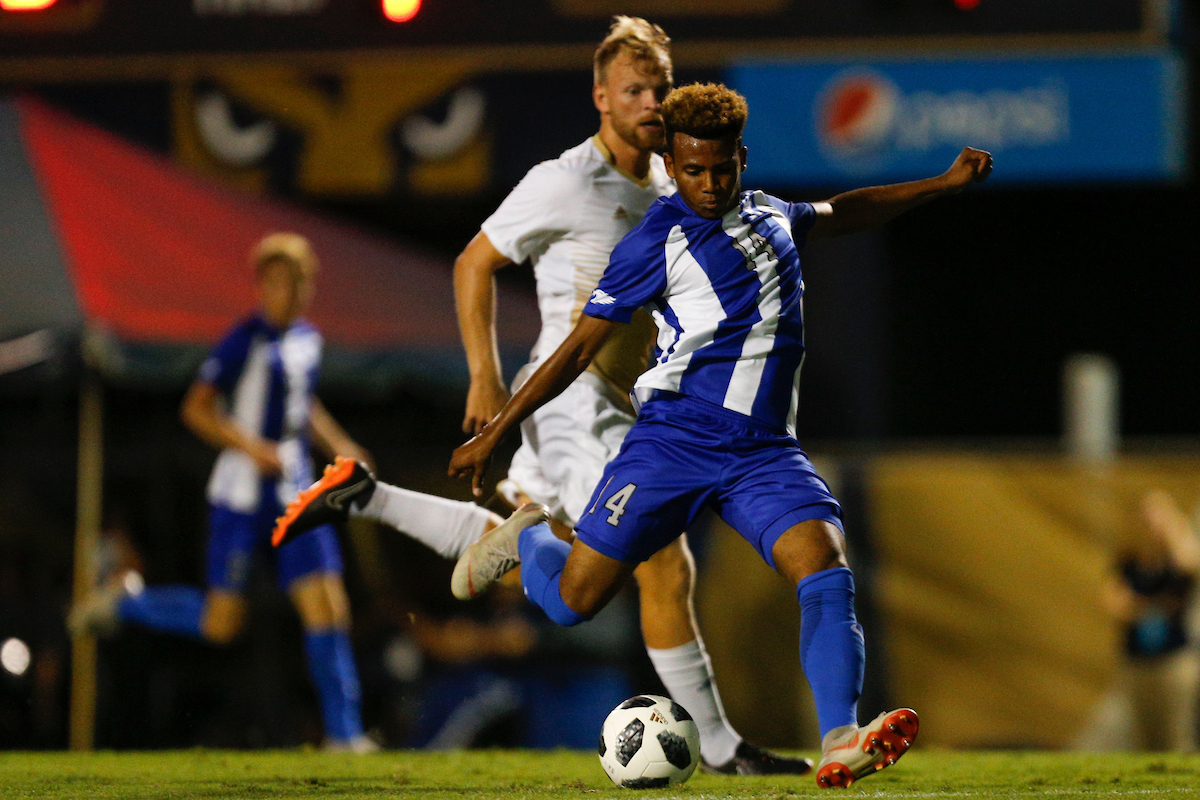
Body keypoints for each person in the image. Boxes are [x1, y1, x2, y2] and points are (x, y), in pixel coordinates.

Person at [272, 16, 810, 775]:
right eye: (634, 89)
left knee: (562, 563)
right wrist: (483, 376)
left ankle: (368, 496)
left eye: (659, 87)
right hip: (570, 402)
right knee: (656, 564)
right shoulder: (564, 181)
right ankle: (721, 749)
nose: (651, 102)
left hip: (622, 405)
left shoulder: (671, 181)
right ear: (601, 97)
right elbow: (473, 262)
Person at [448, 82, 992, 787]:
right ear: (670, 166)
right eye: (692, 170)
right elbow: (579, 349)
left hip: (764, 451)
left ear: (742, 158)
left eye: (722, 168)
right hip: (671, 443)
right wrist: (498, 429)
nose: (708, 184)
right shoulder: (653, 242)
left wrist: (941, 185)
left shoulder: (772, 215)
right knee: (573, 603)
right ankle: (528, 533)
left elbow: (847, 211)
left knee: (825, 566)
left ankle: (840, 738)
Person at [68, 233, 376, 752]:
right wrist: (251, 447)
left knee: (329, 604)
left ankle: (345, 736)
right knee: (221, 624)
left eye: (298, 283)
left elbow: (303, 404)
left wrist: (342, 446)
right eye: (278, 282)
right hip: (241, 497)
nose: (289, 293)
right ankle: (127, 602)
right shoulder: (243, 341)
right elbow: (195, 408)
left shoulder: (307, 340)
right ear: (262, 287)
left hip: (295, 492)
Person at [1102, 490, 1200, 751]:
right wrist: (1153, 606)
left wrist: (1172, 529)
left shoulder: (1176, 558)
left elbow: (1189, 561)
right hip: (1137, 661)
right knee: (1143, 738)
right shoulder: (1131, 562)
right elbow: (1114, 602)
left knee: (1178, 735)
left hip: (1174, 661)